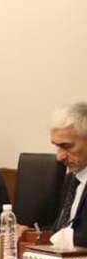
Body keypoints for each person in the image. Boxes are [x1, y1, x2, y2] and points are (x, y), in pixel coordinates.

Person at [48, 102, 87, 247]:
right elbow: (62, 229)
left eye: (67, 146)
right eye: (57, 146)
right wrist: (31, 233)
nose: (59, 157)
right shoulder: (72, 178)